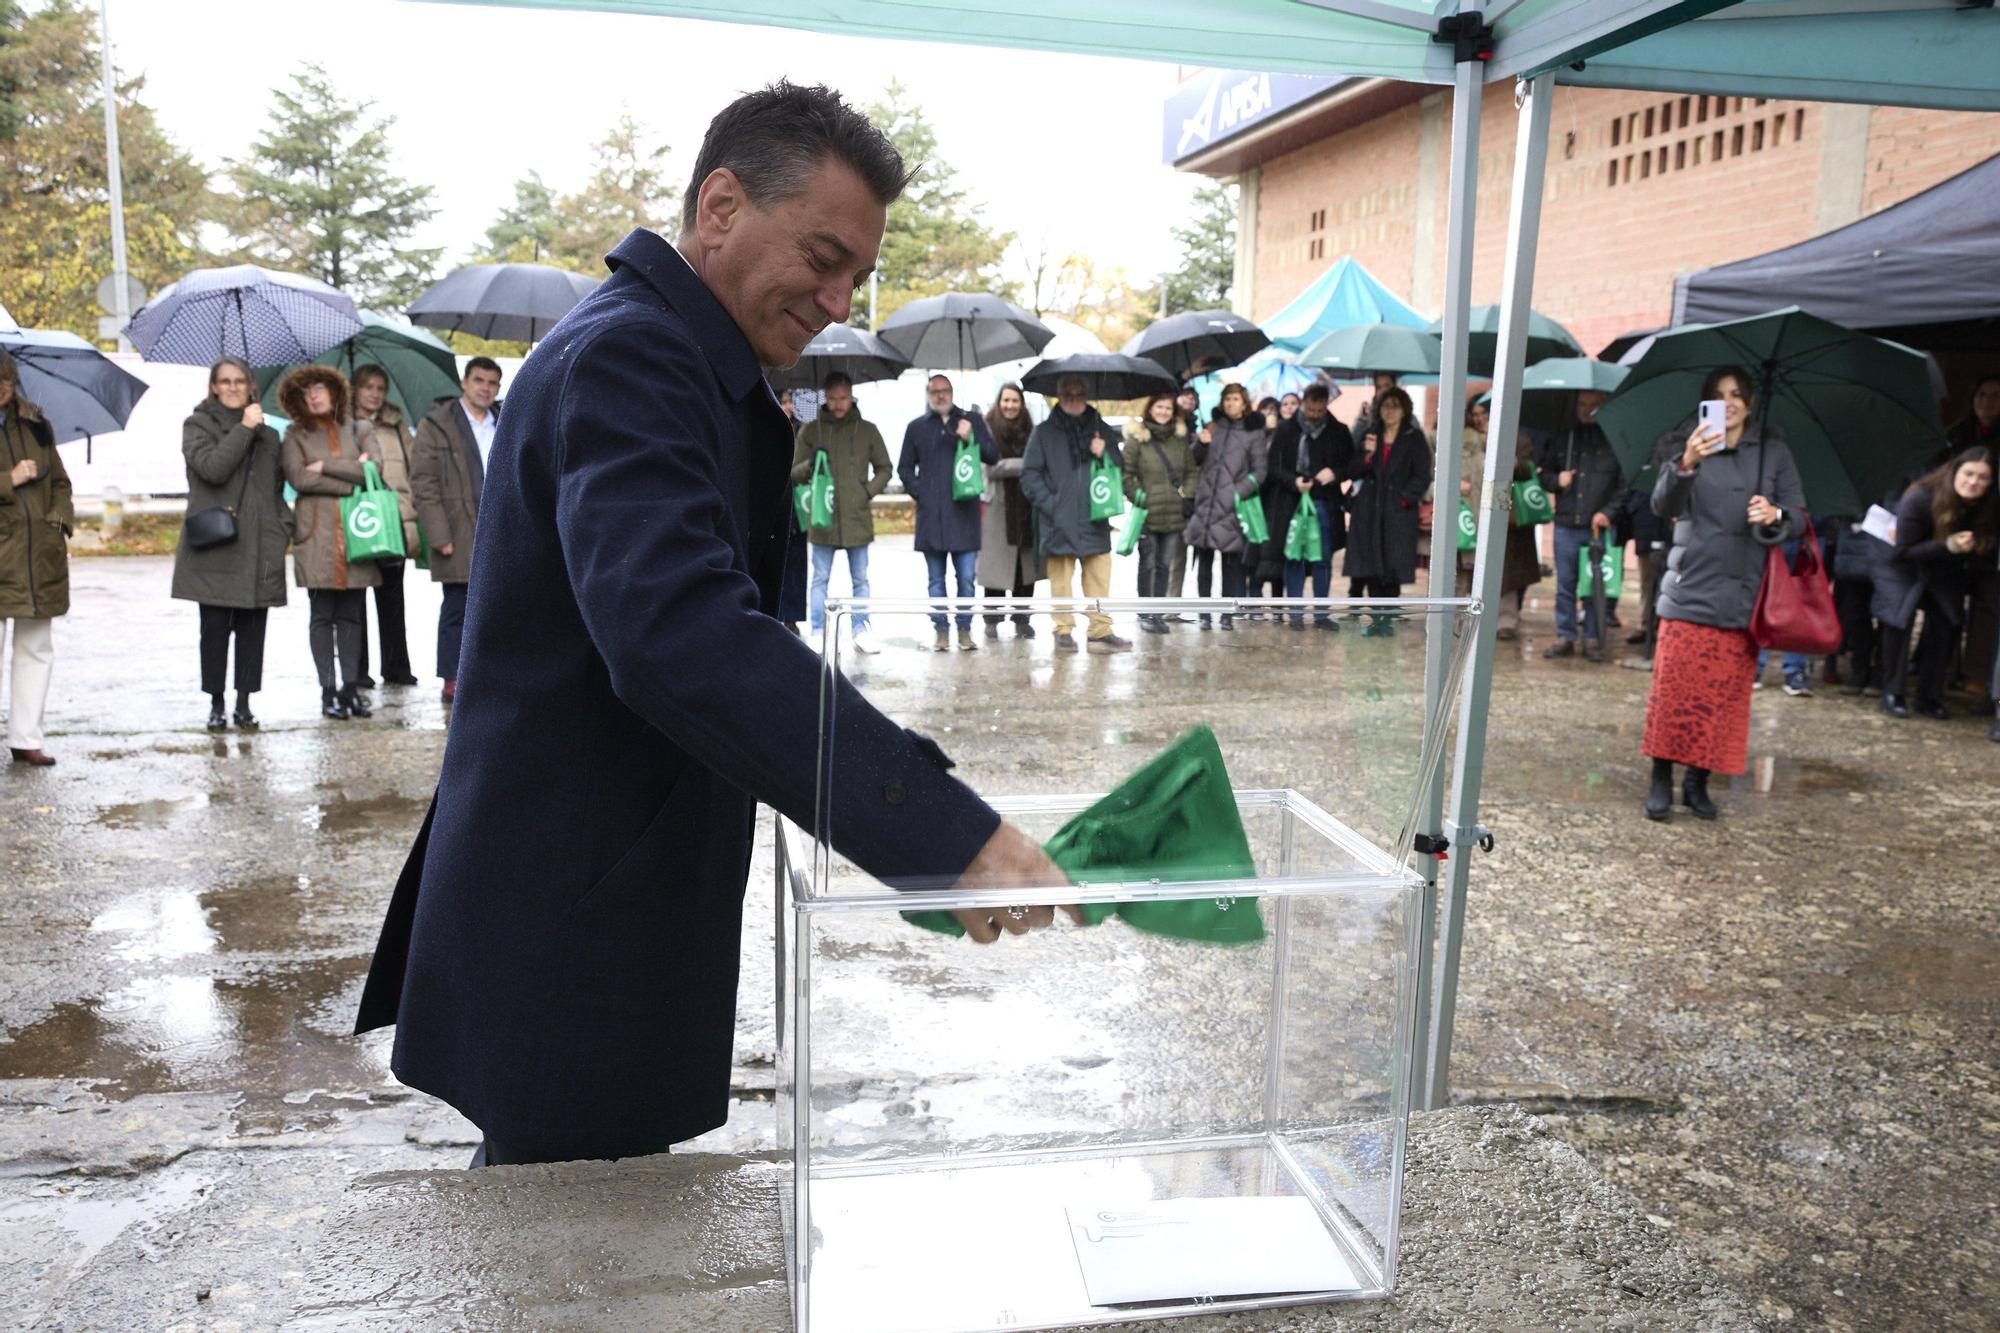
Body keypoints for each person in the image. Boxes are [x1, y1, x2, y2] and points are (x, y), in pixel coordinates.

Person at [355, 81, 1071, 1168]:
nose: (837, 301)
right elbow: (681, 633)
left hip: (600, 889)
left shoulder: (682, 354)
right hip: (574, 908)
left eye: (857, 278)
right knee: (571, 1248)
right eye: (822, 258)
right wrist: (939, 829)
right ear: (721, 207)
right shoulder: (634, 358)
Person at [1641, 366, 1805, 822]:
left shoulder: (1773, 452)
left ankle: (1698, 781)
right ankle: (1660, 777)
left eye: (1736, 395)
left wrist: (1775, 513)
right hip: (1690, 588)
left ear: (1750, 403)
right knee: (1674, 694)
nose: (1728, 403)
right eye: (1718, 395)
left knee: (1721, 699)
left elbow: (1800, 514)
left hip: (1742, 594)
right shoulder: (1686, 444)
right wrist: (1687, 463)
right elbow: (1662, 507)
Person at [171, 357, 289, 731]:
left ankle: (244, 702)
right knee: (215, 631)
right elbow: (213, 468)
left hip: (260, 547)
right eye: (225, 381)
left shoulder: (269, 436)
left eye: (240, 380)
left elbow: (273, 489)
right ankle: (216, 702)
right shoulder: (197, 425)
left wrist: (283, 526)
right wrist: (244, 428)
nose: (233, 387)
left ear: (250, 385)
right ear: (214, 387)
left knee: (253, 632)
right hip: (217, 546)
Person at [279, 366, 380, 721]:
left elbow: (376, 469)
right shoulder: (295, 434)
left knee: (352, 615)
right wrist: (349, 473)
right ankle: (328, 692)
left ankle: (351, 689)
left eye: (320, 388)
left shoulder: (358, 428)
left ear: (335, 391)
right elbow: (298, 477)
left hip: (357, 532)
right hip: (315, 535)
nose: (315, 396)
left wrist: (325, 466)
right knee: (322, 616)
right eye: (307, 392)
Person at [1872, 448, 1998, 719]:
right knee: (1899, 619)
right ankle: (1892, 692)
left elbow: (1986, 544)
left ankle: (1929, 696)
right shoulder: (1920, 497)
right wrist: (1948, 545)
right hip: (1901, 563)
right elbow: (1901, 552)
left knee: (1947, 621)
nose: (1974, 482)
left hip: (1943, 566)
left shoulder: (1987, 506)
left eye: (1983, 478)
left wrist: (1978, 545)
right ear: (1955, 471)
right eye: (1969, 474)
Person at [411, 357, 502, 703]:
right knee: (457, 606)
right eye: (479, 380)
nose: (485, 388)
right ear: (464, 382)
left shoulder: (503, 418)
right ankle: (452, 676)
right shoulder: (438, 423)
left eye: (492, 383)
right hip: (457, 526)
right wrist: (439, 534)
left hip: (496, 525)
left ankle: (488, 671)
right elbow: (424, 482)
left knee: (497, 603)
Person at [1020, 373, 1129, 653]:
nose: (1072, 399)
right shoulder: (1043, 432)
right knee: (1061, 581)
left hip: (1095, 516)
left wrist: (1104, 452)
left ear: (1085, 395)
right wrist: (1051, 505)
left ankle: (1100, 630)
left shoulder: (1100, 428)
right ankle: (1063, 629)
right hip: (1058, 519)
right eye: (1067, 394)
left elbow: (1119, 466)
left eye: (1078, 393)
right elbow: (1030, 475)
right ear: (1059, 397)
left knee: (1099, 577)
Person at [0, 349, 71, 767]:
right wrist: (11, 479)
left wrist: (57, 522)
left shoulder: (36, 425)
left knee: (36, 648)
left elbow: (60, 481)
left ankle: (26, 738)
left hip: (38, 553)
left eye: (7, 379)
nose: (2, 387)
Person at [791, 371, 891, 652]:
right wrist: (812, 463)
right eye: (833, 398)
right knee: (820, 577)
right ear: (825, 397)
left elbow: (885, 468)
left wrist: (867, 491)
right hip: (823, 517)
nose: (838, 404)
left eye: (843, 398)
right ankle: (818, 629)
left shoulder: (867, 430)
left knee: (860, 579)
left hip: (856, 516)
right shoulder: (811, 431)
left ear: (851, 396)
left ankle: (861, 629)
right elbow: (793, 474)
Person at [899, 373, 997, 651]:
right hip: (932, 517)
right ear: (929, 395)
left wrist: (972, 435)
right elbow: (904, 468)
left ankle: (965, 629)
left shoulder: (972, 420)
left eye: (945, 390)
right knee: (935, 580)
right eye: (935, 391)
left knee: (966, 578)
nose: (941, 396)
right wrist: (922, 492)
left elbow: (993, 455)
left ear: (952, 392)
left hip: (964, 515)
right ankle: (941, 630)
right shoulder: (916, 427)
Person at [350, 365, 421, 690]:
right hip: (361, 518)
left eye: (380, 387)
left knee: (393, 600)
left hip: (394, 518)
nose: (374, 393)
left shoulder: (396, 426)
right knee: (356, 603)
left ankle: (396, 667)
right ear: (355, 390)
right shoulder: (345, 424)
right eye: (368, 387)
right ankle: (358, 670)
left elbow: (414, 466)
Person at [1537, 390, 1620, 661]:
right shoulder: (1564, 437)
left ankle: (1592, 638)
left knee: (1594, 586)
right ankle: (1565, 635)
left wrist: (1608, 513)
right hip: (1566, 524)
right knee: (1565, 585)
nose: (1587, 409)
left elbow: (1624, 485)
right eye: (1582, 404)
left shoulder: (1613, 441)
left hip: (1598, 527)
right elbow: (1544, 475)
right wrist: (1556, 480)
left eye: (1593, 404)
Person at [1342, 385, 1431, 632]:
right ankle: (1376, 619)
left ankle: (1388, 618)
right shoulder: (1370, 434)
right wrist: (1368, 455)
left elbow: (1422, 475)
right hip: (1369, 508)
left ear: (1404, 411)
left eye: (1395, 406)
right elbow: (1352, 470)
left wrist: (1405, 498)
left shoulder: (1413, 437)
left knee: (1393, 563)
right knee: (1371, 562)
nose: (1390, 411)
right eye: (1385, 406)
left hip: (1398, 510)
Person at [1185, 383, 1268, 631]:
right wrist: (1201, 443)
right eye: (1227, 399)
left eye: (1235, 399)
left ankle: (1227, 614)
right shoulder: (1213, 428)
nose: (1231, 403)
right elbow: (1194, 460)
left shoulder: (1254, 433)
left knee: (1231, 565)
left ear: (1244, 403)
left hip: (1232, 507)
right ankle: (1204, 614)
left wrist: (1236, 493)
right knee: (1204, 561)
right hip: (1206, 504)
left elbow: (1260, 472)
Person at [1269, 382, 1352, 629]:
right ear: (1304, 403)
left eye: (1320, 410)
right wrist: (1293, 481)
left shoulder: (1338, 430)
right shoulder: (1286, 430)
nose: (1315, 415)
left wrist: (1334, 473)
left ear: (1326, 405)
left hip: (1325, 501)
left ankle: (1321, 614)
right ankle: (1295, 613)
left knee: (1322, 558)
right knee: (1294, 557)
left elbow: (1352, 464)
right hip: (1292, 502)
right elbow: (1273, 467)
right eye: (1311, 410)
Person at [1121, 390, 1198, 634]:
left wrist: (1188, 495)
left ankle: (1159, 611)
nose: (1163, 412)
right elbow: (1126, 474)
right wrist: (1138, 496)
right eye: (1159, 407)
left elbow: (1191, 471)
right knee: (1148, 563)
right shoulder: (1138, 439)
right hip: (1147, 512)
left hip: (1174, 513)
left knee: (1165, 565)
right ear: (1150, 410)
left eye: (1168, 408)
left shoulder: (1179, 440)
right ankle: (1145, 612)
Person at [978, 382, 1043, 639]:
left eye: (1015, 401)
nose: (1010, 405)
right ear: (999, 401)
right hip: (997, 506)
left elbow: (1040, 464)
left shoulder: (1031, 430)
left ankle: (1022, 619)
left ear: (1021, 403)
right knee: (996, 567)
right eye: (1006, 400)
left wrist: (1011, 465)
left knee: (1023, 569)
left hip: (1026, 505)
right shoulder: (987, 427)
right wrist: (1025, 464)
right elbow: (991, 468)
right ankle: (992, 619)